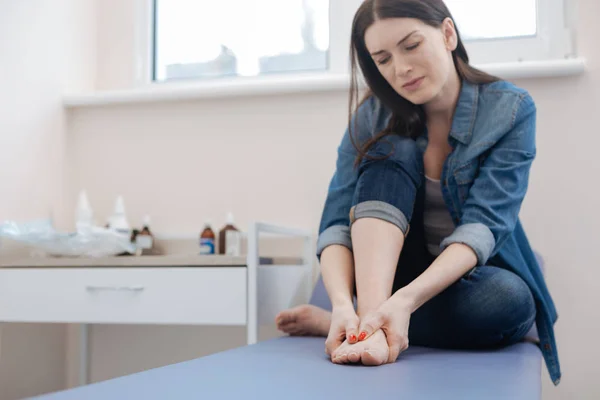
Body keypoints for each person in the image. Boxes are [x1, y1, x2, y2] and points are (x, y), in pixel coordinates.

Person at [275, 0, 561, 386]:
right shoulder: (371, 116)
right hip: (386, 275)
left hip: (456, 279)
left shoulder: (510, 110)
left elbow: (484, 227)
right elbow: (336, 224)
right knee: (395, 148)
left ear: (447, 33)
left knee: (510, 301)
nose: (400, 69)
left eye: (410, 46)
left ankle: (368, 321)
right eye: (383, 59)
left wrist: (405, 302)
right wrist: (342, 302)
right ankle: (367, 324)